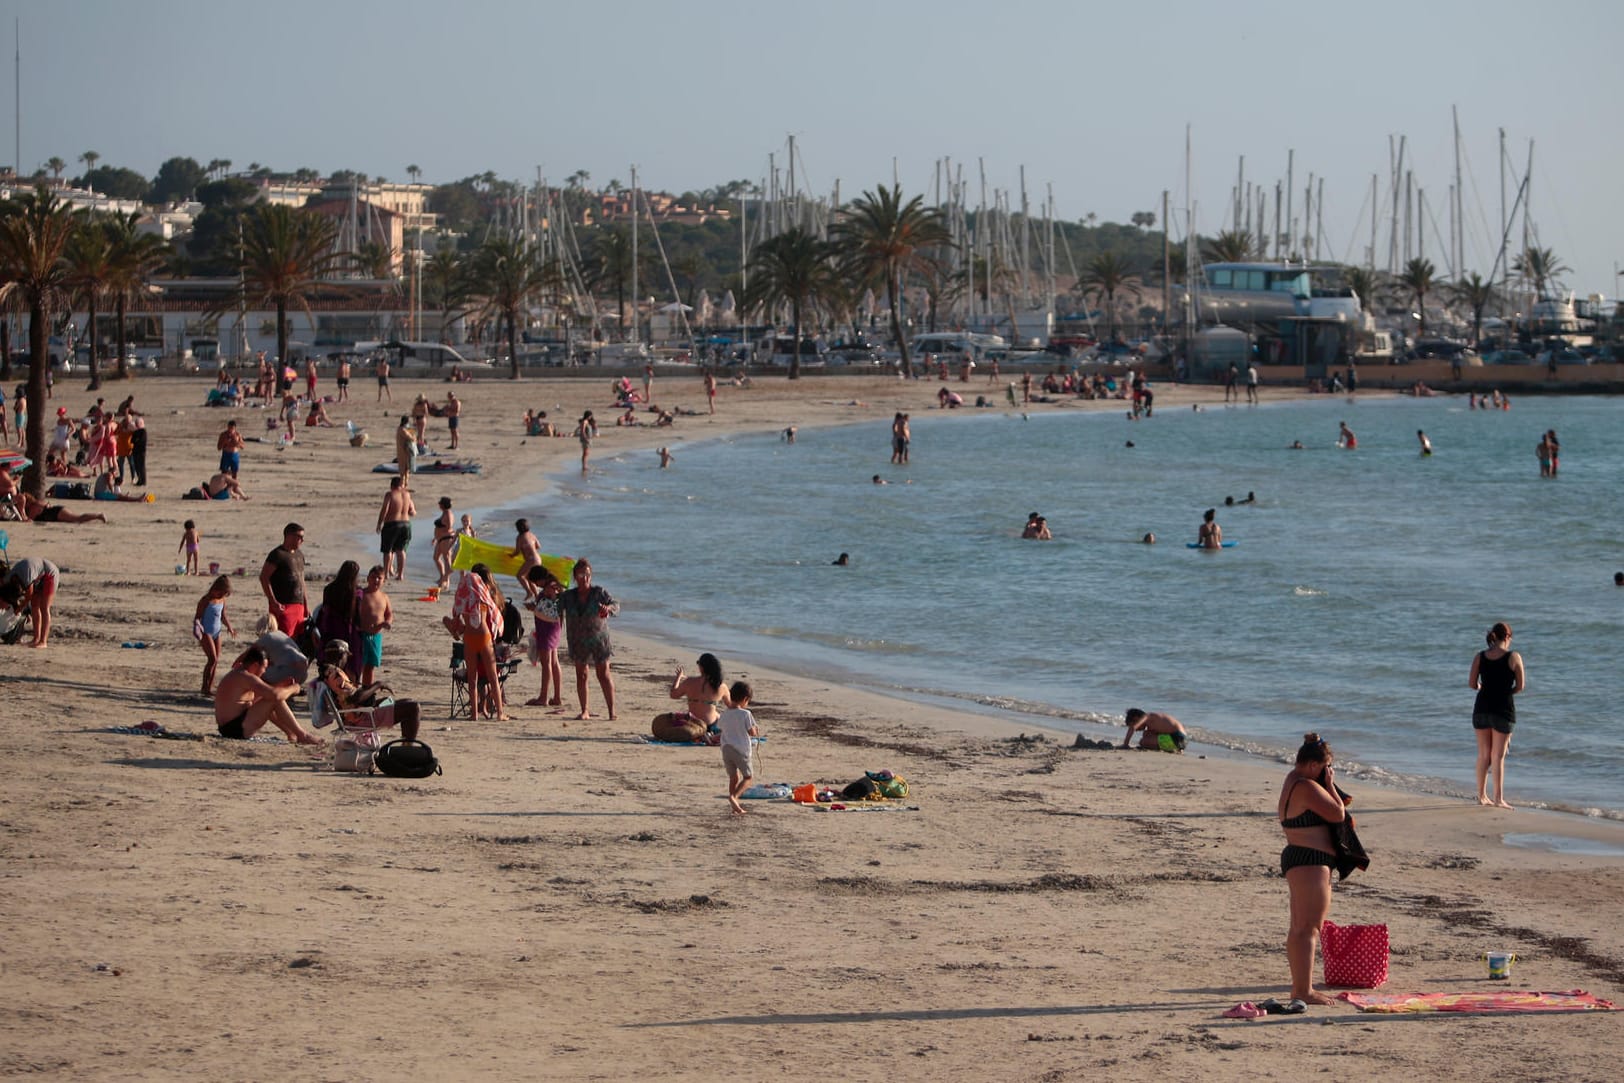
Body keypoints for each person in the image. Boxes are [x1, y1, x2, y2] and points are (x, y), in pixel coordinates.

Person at [1279, 732, 1346, 1007]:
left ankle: (1300, 987)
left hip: (1299, 857)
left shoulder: (1292, 779)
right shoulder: (1306, 785)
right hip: (1311, 861)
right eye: (1324, 767)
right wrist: (1330, 785)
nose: (1326, 772)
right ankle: (1303, 991)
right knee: (1308, 928)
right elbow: (1337, 813)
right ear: (1312, 765)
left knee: (1299, 927)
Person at [214, 645, 321, 744]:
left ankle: (291, 732)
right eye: (264, 667)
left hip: (229, 727)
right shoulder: (246, 677)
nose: (264, 671)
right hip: (236, 728)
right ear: (255, 665)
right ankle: (302, 735)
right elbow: (275, 696)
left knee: (269, 698)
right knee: (274, 699)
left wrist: (279, 686)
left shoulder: (239, 672)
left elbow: (254, 700)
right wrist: (294, 689)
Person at [315, 640, 420, 741]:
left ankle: (406, 746)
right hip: (362, 719)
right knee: (413, 707)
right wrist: (377, 685)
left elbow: (351, 698)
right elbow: (356, 698)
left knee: (400, 701)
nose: (347, 659)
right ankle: (408, 749)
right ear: (341, 656)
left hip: (356, 715)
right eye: (346, 656)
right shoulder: (336, 675)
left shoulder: (327, 674)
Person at [1469, 621, 1524, 809]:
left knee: (1484, 754)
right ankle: (1499, 799)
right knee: (1497, 756)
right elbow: (1520, 686)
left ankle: (1481, 796)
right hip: (1503, 709)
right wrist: (1505, 692)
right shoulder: (1513, 657)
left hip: (1482, 707)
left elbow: (1472, 684)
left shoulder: (1480, 656)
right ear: (1508, 637)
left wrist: (1483, 687)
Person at [447, 562, 509, 721]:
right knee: (493, 676)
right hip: (484, 636)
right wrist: (498, 631)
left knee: (472, 678)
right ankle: (500, 713)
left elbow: (455, 618)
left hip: (469, 638)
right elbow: (495, 617)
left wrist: (452, 626)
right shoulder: (483, 598)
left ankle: (474, 714)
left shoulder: (463, 599)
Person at [557, 558, 618, 720]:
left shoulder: (599, 592)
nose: (585, 578)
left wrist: (608, 608)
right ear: (575, 576)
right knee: (581, 675)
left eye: (588, 574)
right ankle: (585, 710)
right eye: (582, 574)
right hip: (578, 641)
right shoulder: (568, 597)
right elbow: (553, 606)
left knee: (603, 674)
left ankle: (612, 712)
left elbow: (615, 605)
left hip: (599, 640)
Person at [656, 652, 731, 743]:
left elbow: (673, 695)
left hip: (693, 724)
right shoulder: (721, 686)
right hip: (710, 725)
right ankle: (710, 735)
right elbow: (731, 706)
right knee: (718, 715)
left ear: (702, 667)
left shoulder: (690, 682)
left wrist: (678, 678)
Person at [314, 559, 365, 681]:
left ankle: (328, 679)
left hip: (331, 627)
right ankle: (349, 682)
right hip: (349, 630)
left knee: (331, 655)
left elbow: (325, 609)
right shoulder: (357, 592)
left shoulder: (329, 589)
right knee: (351, 659)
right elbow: (357, 614)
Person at [522, 566, 564, 708]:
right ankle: (556, 697)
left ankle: (543, 697)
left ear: (540, 579)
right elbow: (551, 606)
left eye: (535, 582)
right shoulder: (553, 585)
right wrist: (535, 606)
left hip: (547, 628)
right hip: (553, 627)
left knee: (546, 664)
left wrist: (534, 608)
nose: (536, 585)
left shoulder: (550, 588)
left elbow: (552, 608)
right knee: (554, 662)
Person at [717, 680, 759, 815]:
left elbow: (721, 728)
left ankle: (734, 805)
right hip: (740, 749)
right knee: (748, 777)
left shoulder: (724, 713)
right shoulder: (745, 714)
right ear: (745, 699)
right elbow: (751, 732)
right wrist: (755, 730)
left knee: (733, 777)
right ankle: (734, 797)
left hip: (726, 749)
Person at [259, 522, 308, 637]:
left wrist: (305, 604)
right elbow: (264, 577)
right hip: (283, 605)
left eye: (302, 537)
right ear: (289, 536)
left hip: (298, 605)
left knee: (297, 639)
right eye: (299, 537)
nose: (302, 540)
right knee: (283, 637)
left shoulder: (299, 555)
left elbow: (301, 580)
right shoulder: (277, 554)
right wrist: (273, 601)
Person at [1, 556, 60, 647]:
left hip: (50, 573)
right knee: (34, 607)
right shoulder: (7, 580)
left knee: (44, 607)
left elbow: (29, 596)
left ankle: (43, 641)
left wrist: (19, 609)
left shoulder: (26, 579)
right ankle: (36, 639)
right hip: (36, 576)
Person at [193, 575, 236, 695]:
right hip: (206, 632)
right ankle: (204, 687)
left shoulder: (222, 600)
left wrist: (229, 627)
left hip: (217, 632)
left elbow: (223, 616)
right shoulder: (205, 600)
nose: (222, 595)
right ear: (215, 588)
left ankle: (209, 688)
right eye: (221, 592)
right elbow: (197, 617)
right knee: (212, 659)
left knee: (216, 661)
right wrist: (197, 627)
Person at [357, 564, 393, 687]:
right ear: (368, 578)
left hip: (376, 636)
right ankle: (353, 688)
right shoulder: (361, 594)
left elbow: (389, 613)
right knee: (359, 665)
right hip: (362, 634)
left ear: (384, 581)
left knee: (370, 666)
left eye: (379, 578)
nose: (376, 580)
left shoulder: (384, 597)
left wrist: (388, 622)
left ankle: (367, 690)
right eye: (373, 577)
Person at [376, 476, 416, 582]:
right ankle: (400, 574)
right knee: (401, 550)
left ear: (392, 486)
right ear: (401, 485)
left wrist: (379, 523)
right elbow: (412, 512)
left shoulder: (390, 494)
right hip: (406, 524)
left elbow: (385, 509)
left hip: (392, 524)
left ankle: (386, 573)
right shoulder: (407, 495)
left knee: (387, 550)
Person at [1121, 708, 1187, 752]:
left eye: (1132, 724)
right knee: (1146, 735)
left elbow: (1133, 728)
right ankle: (1175, 748)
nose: (1137, 730)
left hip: (1178, 739)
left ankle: (1174, 748)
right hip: (1181, 741)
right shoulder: (1152, 721)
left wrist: (1125, 744)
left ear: (1136, 718)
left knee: (1143, 742)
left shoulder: (1147, 716)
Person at [513, 518, 543, 600]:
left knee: (520, 576)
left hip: (531, 560)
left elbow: (517, 551)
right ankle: (537, 597)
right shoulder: (532, 535)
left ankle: (529, 592)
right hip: (538, 559)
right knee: (530, 578)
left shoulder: (520, 537)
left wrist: (511, 556)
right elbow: (538, 546)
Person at [432, 497, 456, 590]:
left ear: (443, 505)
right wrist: (435, 537)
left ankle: (445, 580)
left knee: (446, 558)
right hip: (440, 539)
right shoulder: (444, 513)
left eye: (440, 504)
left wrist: (440, 530)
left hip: (446, 538)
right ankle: (443, 576)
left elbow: (449, 526)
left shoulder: (449, 514)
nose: (439, 505)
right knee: (436, 557)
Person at [394, 416, 416, 489]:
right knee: (403, 470)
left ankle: (405, 485)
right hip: (403, 452)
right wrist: (412, 432)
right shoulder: (402, 430)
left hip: (405, 452)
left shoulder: (402, 429)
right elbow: (411, 437)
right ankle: (402, 485)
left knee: (407, 469)